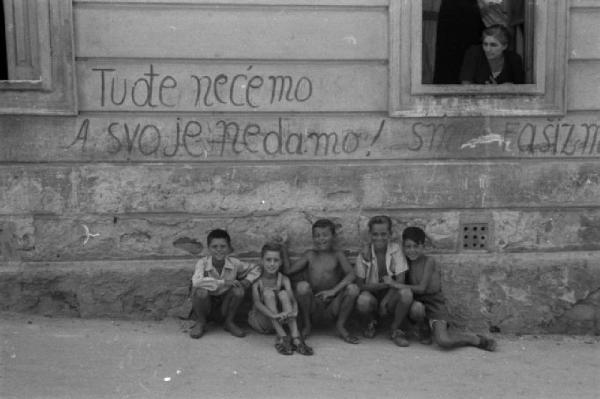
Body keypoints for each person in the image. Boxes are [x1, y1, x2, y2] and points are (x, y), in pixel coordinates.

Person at [397, 226, 497, 351]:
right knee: (417, 308)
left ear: (423, 245)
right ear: (403, 246)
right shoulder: (404, 263)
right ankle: (424, 327)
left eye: (416, 246)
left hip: (435, 304)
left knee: (443, 341)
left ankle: (473, 339)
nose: (412, 250)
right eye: (408, 246)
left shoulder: (429, 261)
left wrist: (396, 285)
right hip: (418, 303)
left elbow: (422, 288)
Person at [284, 219, 360, 344]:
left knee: (353, 289)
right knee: (302, 287)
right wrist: (283, 248)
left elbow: (352, 274)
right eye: (317, 236)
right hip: (314, 304)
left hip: (333, 305)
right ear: (313, 238)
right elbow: (288, 271)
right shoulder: (310, 255)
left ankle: (340, 325)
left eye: (325, 235)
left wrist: (333, 291)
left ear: (333, 237)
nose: (321, 239)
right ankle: (307, 324)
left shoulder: (337, 255)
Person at [189, 229, 260, 339]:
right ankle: (201, 322)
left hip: (225, 304)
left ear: (229, 248)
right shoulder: (202, 263)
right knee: (201, 291)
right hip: (206, 303)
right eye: (214, 247)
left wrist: (247, 281)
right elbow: (196, 282)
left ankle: (229, 322)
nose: (219, 250)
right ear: (208, 248)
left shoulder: (234, 263)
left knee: (239, 290)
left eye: (223, 246)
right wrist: (224, 282)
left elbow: (257, 268)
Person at [354, 216, 414, 347]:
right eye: (375, 234)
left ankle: (395, 329)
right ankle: (371, 321)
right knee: (363, 301)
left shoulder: (396, 249)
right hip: (373, 295)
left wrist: (385, 302)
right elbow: (360, 285)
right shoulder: (364, 255)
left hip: (392, 295)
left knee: (406, 293)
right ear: (370, 235)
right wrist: (384, 284)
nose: (379, 238)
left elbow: (400, 281)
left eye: (383, 234)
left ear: (390, 234)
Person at [247, 242, 313, 356]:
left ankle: (295, 337)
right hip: (262, 322)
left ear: (281, 262)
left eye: (276, 260)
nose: (272, 264)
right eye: (268, 260)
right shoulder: (257, 281)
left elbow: (292, 299)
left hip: (281, 320)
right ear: (262, 261)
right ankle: (282, 337)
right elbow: (257, 303)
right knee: (268, 293)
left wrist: (294, 310)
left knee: (283, 294)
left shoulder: (284, 279)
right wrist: (274, 315)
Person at [460, 24, 524, 84]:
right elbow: (466, 83)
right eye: (485, 44)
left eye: (493, 45)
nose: (488, 49)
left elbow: (520, 87)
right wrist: (495, 89)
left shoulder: (514, 59)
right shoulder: (474, 53)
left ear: (504, 46)